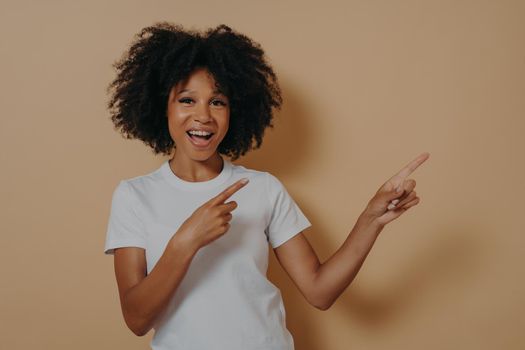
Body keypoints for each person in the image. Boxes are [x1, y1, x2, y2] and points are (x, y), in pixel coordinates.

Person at [103, 22, 430, 350]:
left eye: (218, 102)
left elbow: (320, 291)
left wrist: (370, 220)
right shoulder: (134, 196)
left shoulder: (262, 189)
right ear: (162, 107)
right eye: (187, 100)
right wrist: (185, 241)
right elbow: (136, 319)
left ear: (234, 111)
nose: (203, 115)